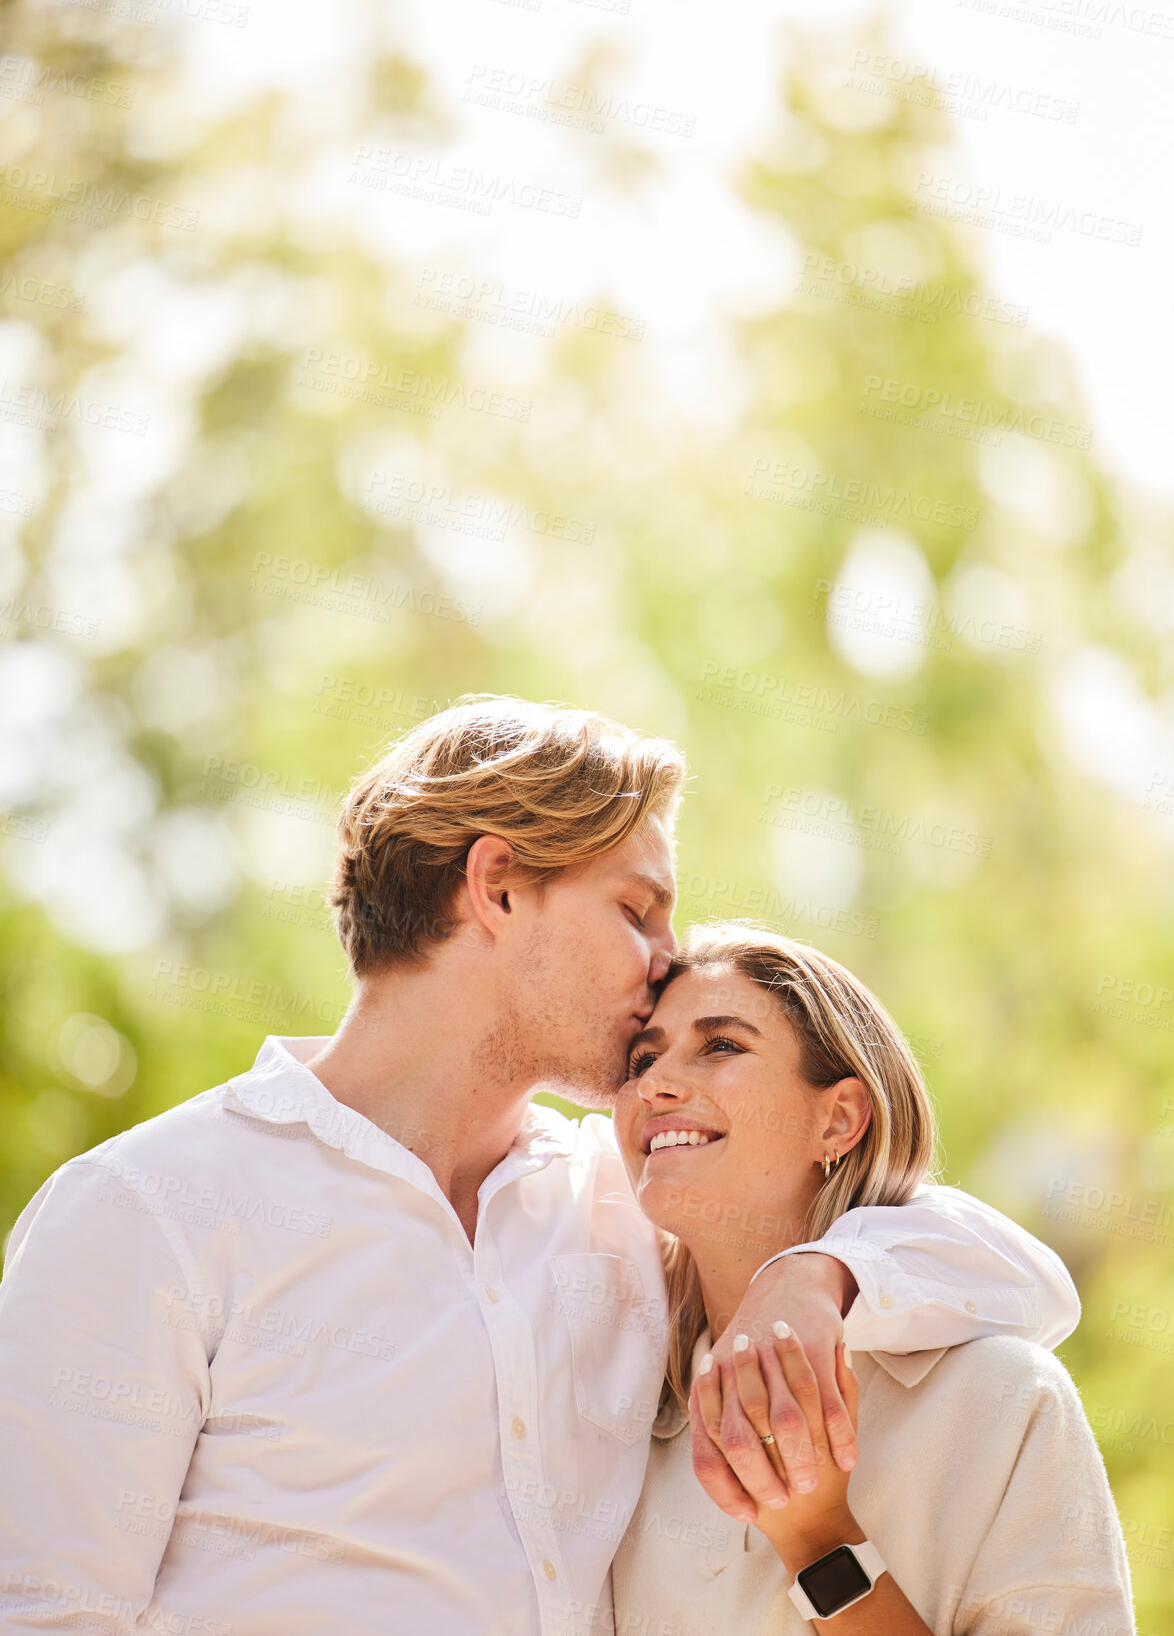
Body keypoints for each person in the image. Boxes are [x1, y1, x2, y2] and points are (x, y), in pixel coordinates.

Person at [0, 697, 1081, 1636]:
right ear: (499, 887)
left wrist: (814, 1273)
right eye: (635, 907)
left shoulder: (617, 1206)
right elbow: (42, 1606)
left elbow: (1021, 1278)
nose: (666, 957)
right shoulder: (147, 1210)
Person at [610, 922, 1135, 1635]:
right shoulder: (620, 1423)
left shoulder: (1003, 1401)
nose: (656, 1084)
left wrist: (820, 1542)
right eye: (643, 1057)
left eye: (722, 1045)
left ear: (840, 1119)